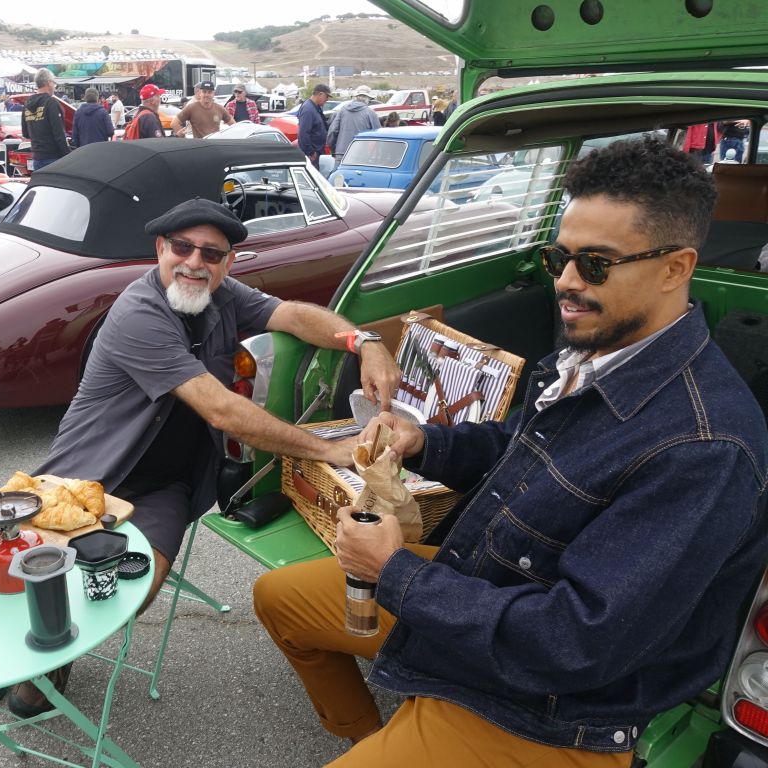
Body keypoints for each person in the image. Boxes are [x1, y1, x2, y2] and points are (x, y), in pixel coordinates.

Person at [253, 137, 768, 767]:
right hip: (485, 592)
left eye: (596, 265)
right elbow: (517, 444)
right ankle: (370, 737)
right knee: (277, 598)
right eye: (559, 258)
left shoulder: (703, 446)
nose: (567, 284)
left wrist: (396, 572)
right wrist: (424, 442)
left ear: (675, 268)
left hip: (556, 709)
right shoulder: (594, 353)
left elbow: (575, 643)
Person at [0, 198, 401, 720]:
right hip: (88, 473)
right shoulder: (139, 311)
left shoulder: (220, 292)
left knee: (132, 587)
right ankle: (31, 660)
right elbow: (222, 410)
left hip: (167, 483)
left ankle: (50, 653)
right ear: (160, 250)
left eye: (211, 254)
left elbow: (293, 315)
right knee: (36, 567)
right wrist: (328, 449)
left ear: (228, 263)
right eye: (182, 247)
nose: (195, 262)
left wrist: (364, 340)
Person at [20, 68, 69, 171]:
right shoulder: (51, 103)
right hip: (54, 158)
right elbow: (59, 134)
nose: (55, 87)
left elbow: (26, 133)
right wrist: (68, 156)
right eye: (54, 83)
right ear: (49, 83)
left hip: (37, 158)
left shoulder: (27, 104)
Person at [326, 85, 381, 163]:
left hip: (341, 153)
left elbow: (333, 131)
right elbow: (379, 136)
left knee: (338, 175)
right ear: (368, 99)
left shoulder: (342, 110)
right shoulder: (370, 113)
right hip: (361, 155)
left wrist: (332, 148)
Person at [298, 84, 331, 166]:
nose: (327, 99)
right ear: (320, 94)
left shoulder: (315, 107)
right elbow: (303, 133)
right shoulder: (308, 109)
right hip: (312, 155)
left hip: (318, 152)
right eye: (326, 96)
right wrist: (310, 152)